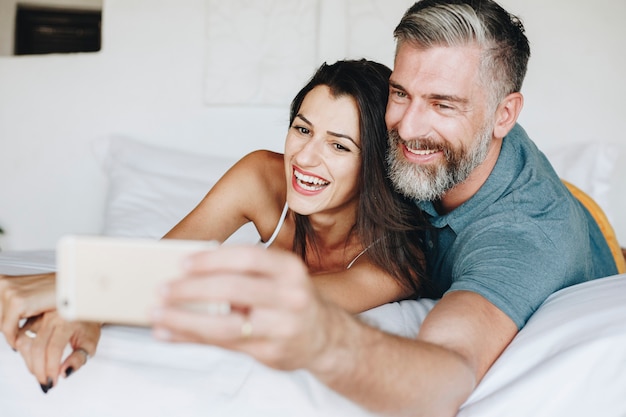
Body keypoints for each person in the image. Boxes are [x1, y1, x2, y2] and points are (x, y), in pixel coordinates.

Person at [149, 0, 616, 416]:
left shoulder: (523, 238)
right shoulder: (404, 157)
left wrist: (325, 337)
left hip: (585, 227)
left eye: (442, 104)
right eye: (400, 93)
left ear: (504, 115)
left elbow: (447, 372)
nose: (408, 127)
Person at [0, 59, 428, 393]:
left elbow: (264, 301)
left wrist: (77, 289)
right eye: (302, 129)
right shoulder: (263, 176)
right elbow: (159, 262)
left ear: (373, 164)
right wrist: (92, 309)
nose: (305, 158)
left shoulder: (394, 264)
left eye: (338, 144)